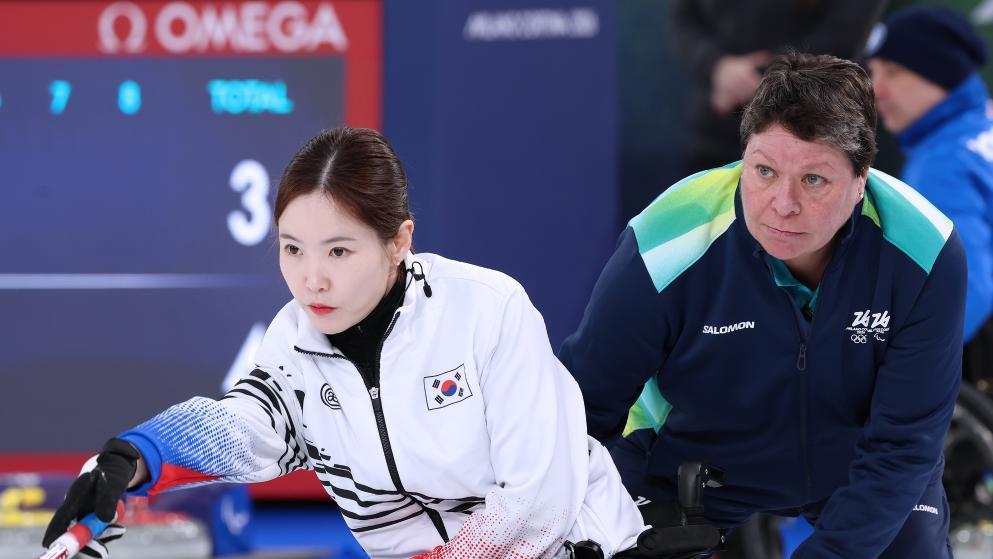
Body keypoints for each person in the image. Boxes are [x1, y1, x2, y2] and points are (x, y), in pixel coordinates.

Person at [42, 127, 649, 559]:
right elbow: (245, 429)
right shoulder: (293, 341)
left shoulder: (488, 311)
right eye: (292, 249)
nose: (312, 279)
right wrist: (132, 458)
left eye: (339, 250)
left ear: (398, 241)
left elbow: (534, 506)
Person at [560, 52, 966, 558]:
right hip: (686, 460)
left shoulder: (924, 251)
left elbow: (903, 446)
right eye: (765, 170)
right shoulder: (667, 240)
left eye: (814, 179)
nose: (783, 203)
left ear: (861, 179)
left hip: (861, 468)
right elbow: (581, 411)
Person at [866, 5, 993, 382]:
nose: (876, 88)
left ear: (940, 76)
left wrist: (902, 369)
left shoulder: (944, 165)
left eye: (894, 72)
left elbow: (966, 288)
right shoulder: (979, 127)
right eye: (873, 72)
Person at [668, 0, 886, 177]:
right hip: (716, 131)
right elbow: (685, 20)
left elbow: (844, 37)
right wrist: (717, 66)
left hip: (814, 129)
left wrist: (761, 76)